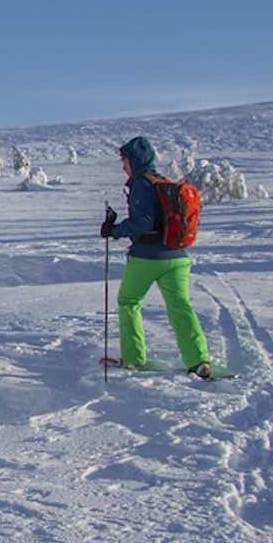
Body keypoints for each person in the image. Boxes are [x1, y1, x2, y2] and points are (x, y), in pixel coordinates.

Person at [101, 136, 213, 379]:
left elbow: (143, 223)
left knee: (129, 302)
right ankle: (198, 361)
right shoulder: (162, 181)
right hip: (178, 256)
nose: (123, 166)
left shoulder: (142, 184)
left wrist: (115, 230)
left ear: (134, 160)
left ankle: (133, 358)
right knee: (180, 307)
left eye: (125, 161)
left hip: (147, 258)